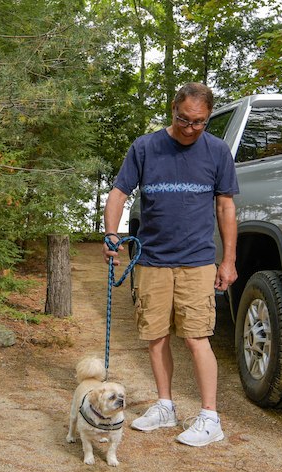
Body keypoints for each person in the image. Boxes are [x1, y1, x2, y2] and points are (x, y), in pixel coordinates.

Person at [102, 82, 238, 447]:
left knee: (196, 337)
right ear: (173, 110)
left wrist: (228, 260)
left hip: (196, 262)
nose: (191, 128)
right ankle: (166, 406)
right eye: (184, 119)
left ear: (207, 118)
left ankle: (210, 417)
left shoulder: (217, 151)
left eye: (199, 122)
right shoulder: (145, 147)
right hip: (151, 260)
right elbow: (119, 192)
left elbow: (226, 207)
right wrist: (111, 233)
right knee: (155, 336)